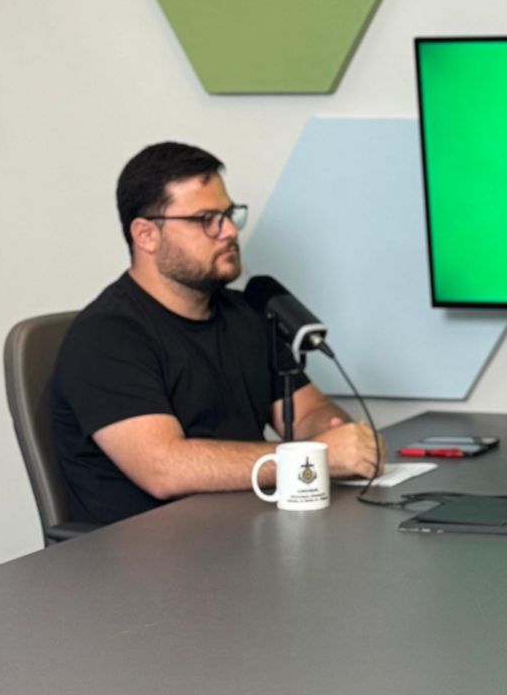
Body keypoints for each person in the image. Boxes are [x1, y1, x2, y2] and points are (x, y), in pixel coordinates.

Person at [52, 142, 383, 526]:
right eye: (206, 219)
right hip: (147, 553)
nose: (228, 231)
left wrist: (337, 438)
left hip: (246, 532)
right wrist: (311, 458)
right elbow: (164, 468)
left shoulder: (246, 314)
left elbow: (308, 412)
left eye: (228, 214)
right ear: (146, 234)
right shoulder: (106, 336)